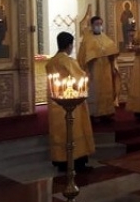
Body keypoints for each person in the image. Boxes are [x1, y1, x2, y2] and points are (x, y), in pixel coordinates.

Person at [46, 32, 94, 173]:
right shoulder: (68, 61)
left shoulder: (52, 61)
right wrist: (87, 75)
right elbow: (79, 79)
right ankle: (77, 163)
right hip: (71, 101)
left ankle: (61, 161)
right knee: (73, 129)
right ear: (69, 45)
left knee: (59, 131)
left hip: (56, 103)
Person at [77, 16, 120, 123]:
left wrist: (113, 63)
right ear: (92, 25)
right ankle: (94, 114)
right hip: (93, 71)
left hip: (106, 70)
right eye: (96, 24)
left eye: (100, 24)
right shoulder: (87, 40)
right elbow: (82, 57)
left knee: (107, 90)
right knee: (94, 92)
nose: (99, 26)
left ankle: (106, 113)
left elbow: (112, 53)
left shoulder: (106, 38)